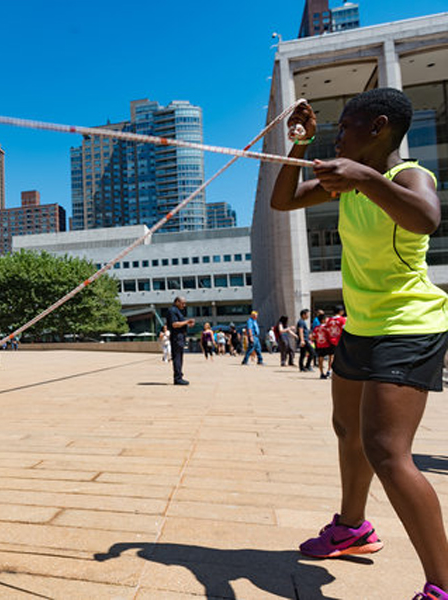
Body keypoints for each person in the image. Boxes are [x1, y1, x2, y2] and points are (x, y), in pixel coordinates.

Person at [271, 88, 448, 599]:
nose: (339, 134)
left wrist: (363, 179)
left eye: (346, 126)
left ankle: (442, 583)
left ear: (379, 128)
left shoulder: (406, 177)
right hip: (363, 325)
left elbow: (426, 218)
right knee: (347, 428)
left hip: (410, 324)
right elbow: (282, 201)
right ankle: (353, 528)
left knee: (387, 451)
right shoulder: (348, 184)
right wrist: (300, 144)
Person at [165, 296, 194, 385]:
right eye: (182, 303)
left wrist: (186, 324)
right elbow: (174, 324)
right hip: (176, 337)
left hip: (179, 336)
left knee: (179, 357)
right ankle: (178, 378)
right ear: (177, 302)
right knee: (177, 357)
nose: (184, 305)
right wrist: (186, 322)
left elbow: (179, 324)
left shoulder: (177, 311)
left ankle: (179, 376)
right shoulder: (172, 311)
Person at [313, 312, 333, 379]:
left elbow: (313, 337)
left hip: (319, 345)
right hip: (328, 344)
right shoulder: (327, 328)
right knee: (331, 357)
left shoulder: (316, 328)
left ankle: (321, 373)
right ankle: (329, 370)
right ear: (323, 320)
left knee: (320, 359)